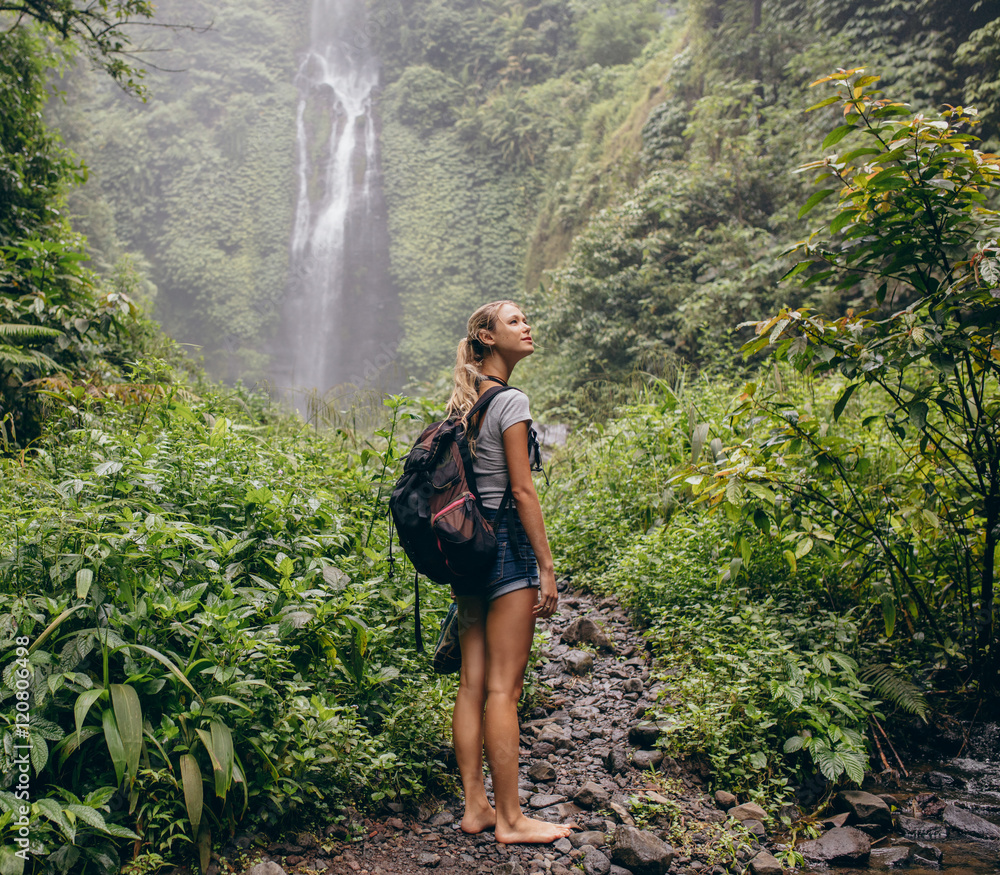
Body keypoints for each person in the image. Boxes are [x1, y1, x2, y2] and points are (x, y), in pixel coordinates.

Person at [444, 300, 572, 845]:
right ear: (488, 337)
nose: (527, 326)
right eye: (515, 320)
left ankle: (476, 807)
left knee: (472, 684)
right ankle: (513, 820)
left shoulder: (464, 405)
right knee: (504, 689)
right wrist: (546, 566)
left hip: (467, 552)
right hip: (506, 549)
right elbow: (521, 490)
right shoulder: (511, 401)